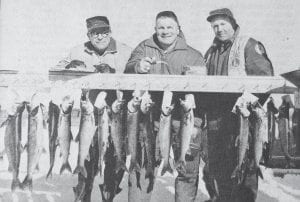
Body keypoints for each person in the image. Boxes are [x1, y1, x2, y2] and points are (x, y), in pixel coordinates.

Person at [124, 11, 206, 202]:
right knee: (144, 164)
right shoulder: (143, 48)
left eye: (170, 27)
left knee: (187, 168)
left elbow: (203, 83)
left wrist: (195, 78)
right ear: (155, 29)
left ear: (178, 28)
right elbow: (129, 67)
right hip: (150, 118)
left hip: (183, 118)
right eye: (161, 27)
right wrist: (138, 66)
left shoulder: (193, 54)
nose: (165, 31)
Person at [55, 16, 132, 202]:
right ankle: (83, 196)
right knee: (87, 159)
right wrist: (69, 67)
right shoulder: (77, 51)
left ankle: (109, 195)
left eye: (104, 32)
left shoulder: (126, 52)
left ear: (110, 31)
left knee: (115, 159)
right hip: (89, 115)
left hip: (115, 114)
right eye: (94, 33)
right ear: (88, 34)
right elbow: (57, 70)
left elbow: (137, 76)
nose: (99, 37)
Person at [202, 8, 274, 202]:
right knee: (216, 168)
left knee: (244, 166)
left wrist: (248, 100)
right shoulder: (211, 51)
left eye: (223, 24)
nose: (219, 29)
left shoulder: (248, 45)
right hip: (216, 121)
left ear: (233, 23)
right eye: (214, 26)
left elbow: (265, 79)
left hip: (241, 120)